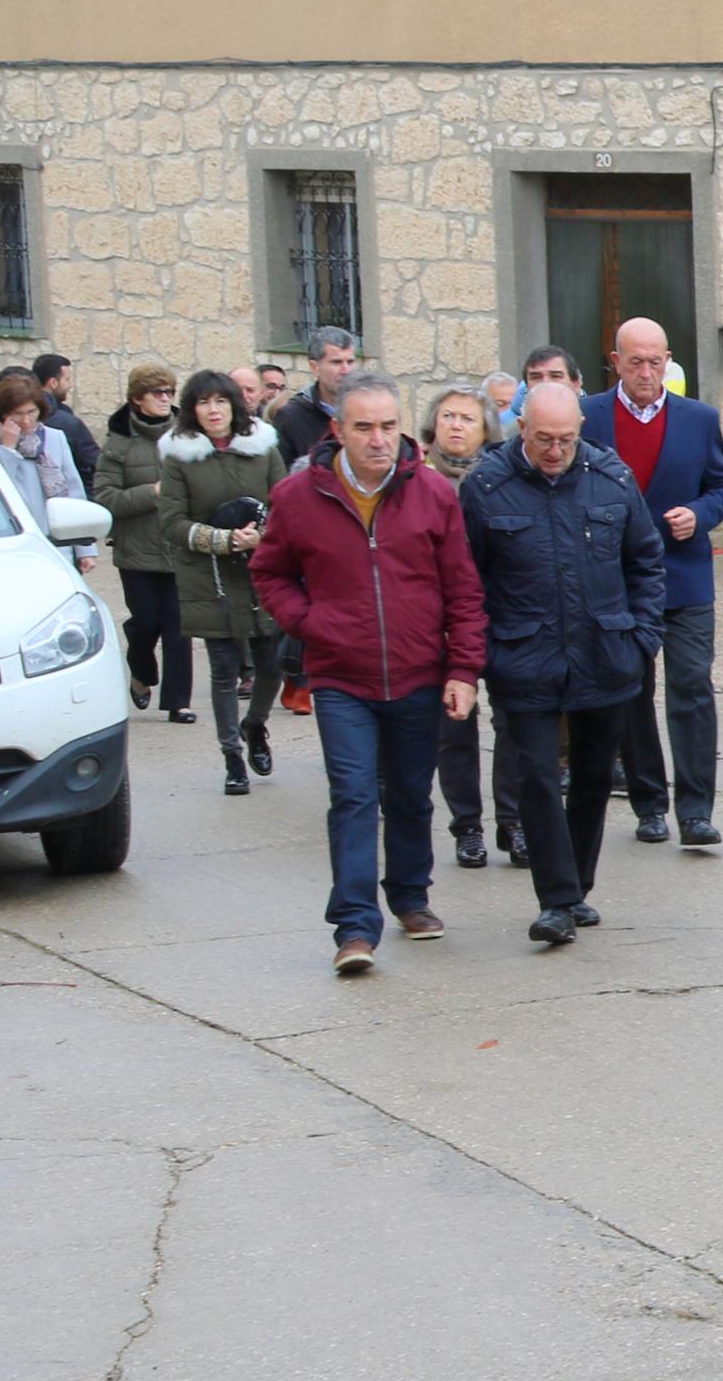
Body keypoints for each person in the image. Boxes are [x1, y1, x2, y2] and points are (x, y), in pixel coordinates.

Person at [250, 374, 486, 976]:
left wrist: (462, 667)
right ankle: (355, 926)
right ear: (337, 430)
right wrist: (309, 622)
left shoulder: (432, 493)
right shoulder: (298, 497)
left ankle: (410, 896)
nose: (378, 440)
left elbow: (462, 589)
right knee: (353, 796)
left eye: (387, 426)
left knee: (409, 795)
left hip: (417, 672)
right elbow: (269, 572)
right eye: (364, 428)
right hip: (340, 676)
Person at [460, 384, 664, 950]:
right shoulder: (485, 486)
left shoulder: (611, 478)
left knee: (595, 777)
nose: (556, 451)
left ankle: (576, 888)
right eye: (544, 440)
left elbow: (645, 560)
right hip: (522, 656)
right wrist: (482, 655)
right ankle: (554, 900)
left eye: (567, 439)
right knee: (538, 779)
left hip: (606, 653)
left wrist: (643, 637)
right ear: (520, 428)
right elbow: (465, 580)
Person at [595, 317, 723, 851]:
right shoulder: (589, 417)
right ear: (615, 361)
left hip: (684, 576)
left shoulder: (698, 420)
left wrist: (699, 515)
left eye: (656, 361)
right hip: (617, 581)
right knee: (631, 691)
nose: (647, 372)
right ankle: (648, 802)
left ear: (669, 360)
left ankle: (696, 811)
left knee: (692, 689)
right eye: (636, 361)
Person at [155, 370, 289, 792]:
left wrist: (262, 536)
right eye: (203, 403)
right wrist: (225, 540)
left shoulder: (263, 449)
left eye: (221, 402)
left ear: (235, 405)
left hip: (262, 571)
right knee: (224, 668)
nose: (213, 411)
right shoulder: (179, 456)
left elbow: (285, 504)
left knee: (271, 663)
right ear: (192, 410)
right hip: (207, 575)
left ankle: (255, 726)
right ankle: (231, 756)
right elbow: (172, 522)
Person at [422, 391, 498, 868]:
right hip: (440, 617)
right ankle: (467, 825)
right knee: (455, 723)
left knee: (513, 721)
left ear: (486, 430)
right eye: (447, 416)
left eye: (467, 418)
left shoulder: (502, 477)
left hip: (500, 610)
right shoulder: (417, 481)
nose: (456, 425)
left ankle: (512, 819)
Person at [95, 364, 192, 721]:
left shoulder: (187, 437)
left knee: (179, 627)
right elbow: (105, 497)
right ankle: (141, 673)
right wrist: (151, 493)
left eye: (169, 392)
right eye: (157, 393)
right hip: (136, 551)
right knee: (146, 622)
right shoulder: (118, 442)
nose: (166, 399)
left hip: (181, 547)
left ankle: (178, 702)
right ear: (137, 398)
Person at [0, 369, 94, 565]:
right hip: (11, 548)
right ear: (3, 414)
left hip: (57, 546)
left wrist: (85, 548)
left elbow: (74, 494)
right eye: (17, 414)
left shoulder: (54, 438)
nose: (26, 420)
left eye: (31, 412)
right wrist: (8, 448)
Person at [269, 329, 356, 467]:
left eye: (350, 362)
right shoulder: (291, 417)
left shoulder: (368, 410)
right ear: (314, 367)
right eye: (336, 362)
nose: (346, 370)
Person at [29, 352, 101, 491]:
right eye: (67, 380)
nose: (70, 385)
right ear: (53, 383)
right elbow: (94, 461)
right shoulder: (68, 422)